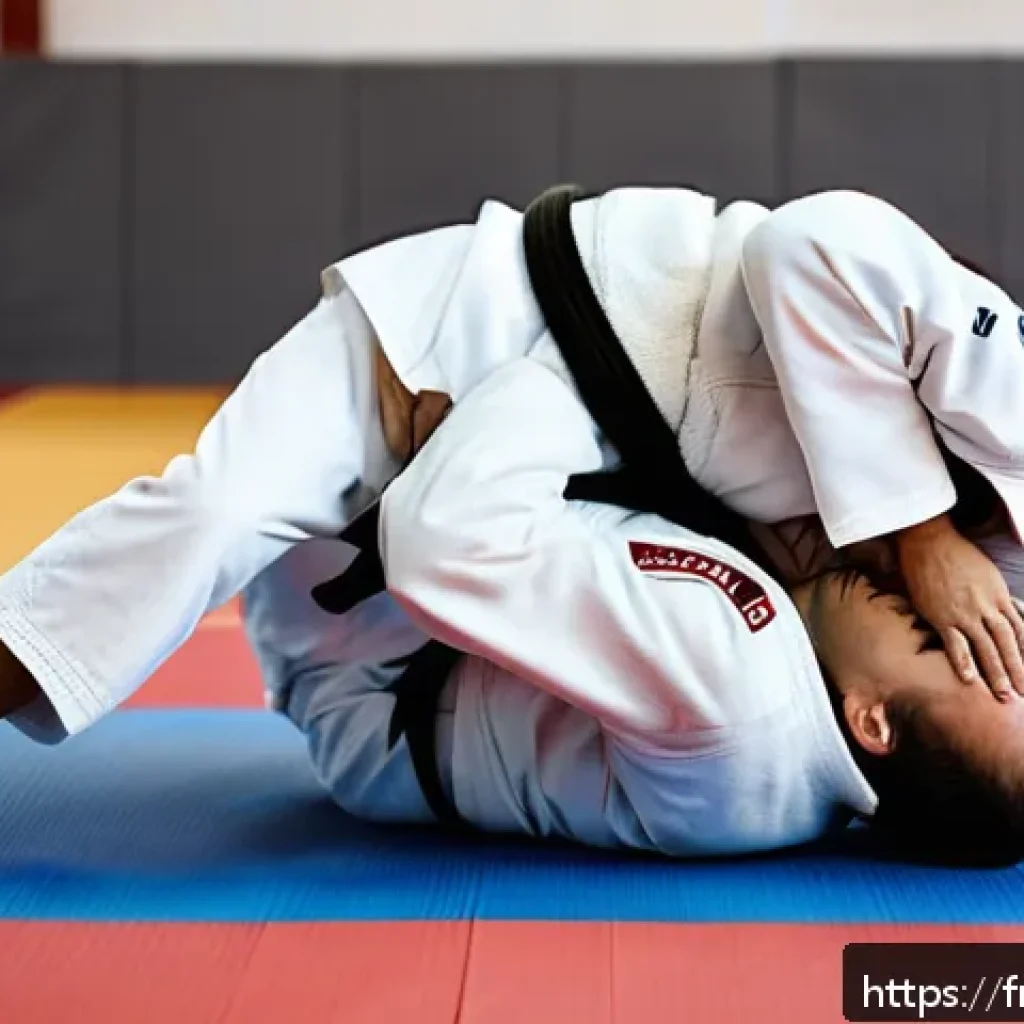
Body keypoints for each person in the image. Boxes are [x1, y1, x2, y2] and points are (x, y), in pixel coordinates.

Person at [1, 185, 1023, 744]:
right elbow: (811, 237)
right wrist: (922, 536)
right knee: (213, 517)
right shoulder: (1004, 400)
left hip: (545, 474)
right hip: (473, 325)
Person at [247, 358, 1024, 864]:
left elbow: (444, 540)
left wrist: (576, 365)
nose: (917, 603)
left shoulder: (735, 675)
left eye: (926, 636)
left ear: (872, 722)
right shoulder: (815, 754)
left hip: (370, 653)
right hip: (415, 678)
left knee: (497, 351)